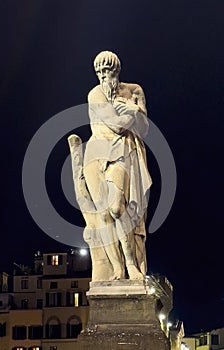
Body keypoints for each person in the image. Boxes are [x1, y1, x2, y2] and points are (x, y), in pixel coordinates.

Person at [82, 51, 152, 280]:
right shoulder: (95, 94)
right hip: (96, 153)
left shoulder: (135, 90)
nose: (104, 76)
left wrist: (131, 111)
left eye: (108, 71)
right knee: (103, 215)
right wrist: (131, 112)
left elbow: (144, 128)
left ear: (117, 71)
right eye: (99, 72)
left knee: (116, 207)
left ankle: (131, 264)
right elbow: (115, 125)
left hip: (121, 151)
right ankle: (117, 269)